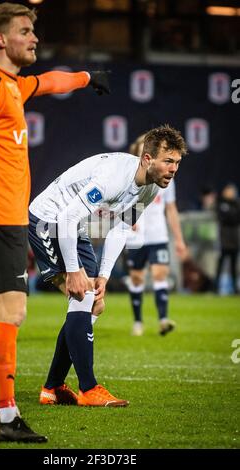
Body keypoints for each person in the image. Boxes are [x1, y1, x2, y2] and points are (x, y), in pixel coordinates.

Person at [0, 2, 110, 443]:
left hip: (2, 217)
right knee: (12, 311)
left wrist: (85, 78)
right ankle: (7, 416)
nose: (34, 38)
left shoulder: (12, 85)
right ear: (1, 39)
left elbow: (48, 82)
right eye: (25, 31)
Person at [28, 125, 187, 407]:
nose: (174, 169)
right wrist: (75, 271)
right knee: (82, 296)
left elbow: (121, 228)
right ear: (147, 159)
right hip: (47, 220)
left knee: (94, 303)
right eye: (168, 161)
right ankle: (88, 388)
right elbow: (64, 218)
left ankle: (52, 387)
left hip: (71, 225)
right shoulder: (113, 178)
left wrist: (103, 274)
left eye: (177, 162)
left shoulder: (151, 186)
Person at [124, 134, 187, 336]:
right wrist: (126, 220)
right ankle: (138, 321)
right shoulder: (128, 174)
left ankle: (162, 319)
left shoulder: (167, 177)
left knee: (160, 274)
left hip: (158, 234)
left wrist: (179, 239)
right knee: (136, 279)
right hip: (136, 237)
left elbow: (171, 209)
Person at [215, 183, 240, 294]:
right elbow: (223, 218)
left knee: (234, 266)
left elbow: (235, 218)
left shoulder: (237, 204)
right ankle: (216, 288)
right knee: (220, 264)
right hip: (223, 240)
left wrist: (230, 215)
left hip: (235, 239)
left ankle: (234, 289)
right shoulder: (220, 203)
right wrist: (232, 215)